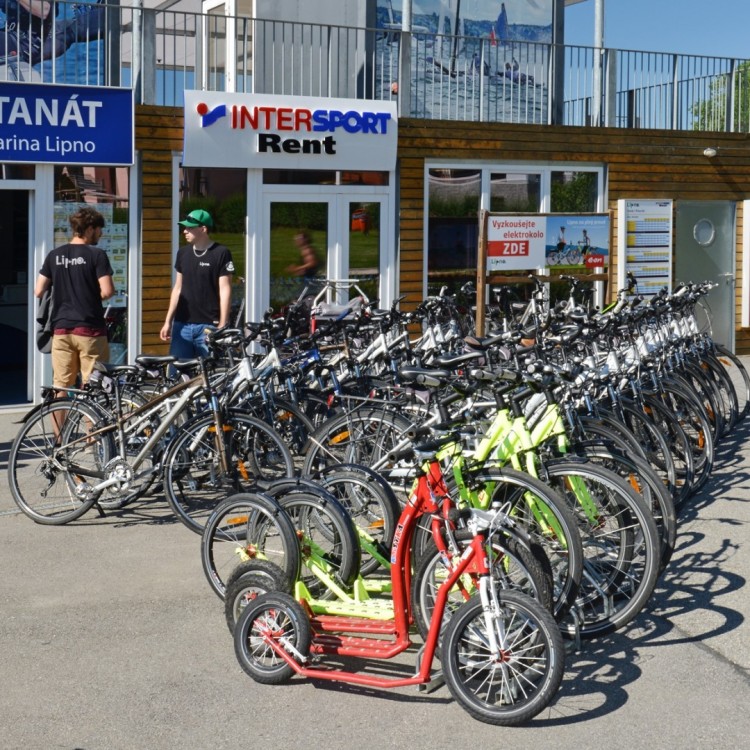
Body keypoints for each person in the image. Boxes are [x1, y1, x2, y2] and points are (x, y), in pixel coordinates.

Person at [34, 205, 115, 389]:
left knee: (60, 385)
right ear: (89, 229)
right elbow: (108, 291)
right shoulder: (97, 255)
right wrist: (89, 296)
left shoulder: (54, 255)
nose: (101, 233)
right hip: (90, 328)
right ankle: (90, 419)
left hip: (61, 329)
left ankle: (58, 418)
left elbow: (39, 291)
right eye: (99, 229)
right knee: (94, 386)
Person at [160, 208, 234, 359]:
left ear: (203, 229)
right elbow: (177, 288)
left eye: (190, 228)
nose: (185, 231)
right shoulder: (183, 253)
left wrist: (223, 324)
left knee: (212, 376)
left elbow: (225, 289)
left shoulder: (221, 253)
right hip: (182, 325)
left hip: (209, 326)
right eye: (184, 227)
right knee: (178, 375)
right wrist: (168, 321)